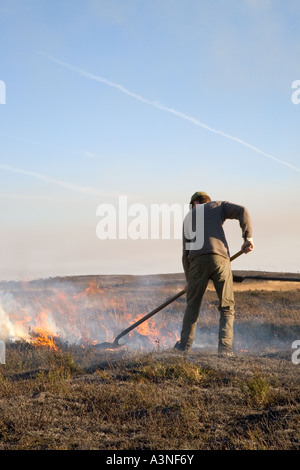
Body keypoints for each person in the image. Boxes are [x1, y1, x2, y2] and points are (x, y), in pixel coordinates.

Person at [175, 191, 254, 356]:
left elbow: (185, 254)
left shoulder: (189, 218)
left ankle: (184, 348)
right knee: (227, 307)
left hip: (196, 262)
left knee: (192, 307)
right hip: (221, 260)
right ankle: (225, 350)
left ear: (194, 204)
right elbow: (243, 211)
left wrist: (190, 280)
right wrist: (248, 238)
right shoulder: (218, 206)